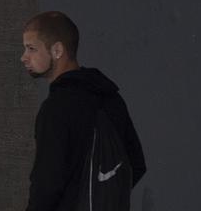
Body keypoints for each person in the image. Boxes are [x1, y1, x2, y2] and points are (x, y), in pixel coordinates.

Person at [21, 11, 146, 211]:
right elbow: (136, 164)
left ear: (57, 50)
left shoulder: (56, 108)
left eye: (31, 49)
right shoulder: (110, 97)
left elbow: (46, 186)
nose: (24, 58)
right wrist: (104, 196)